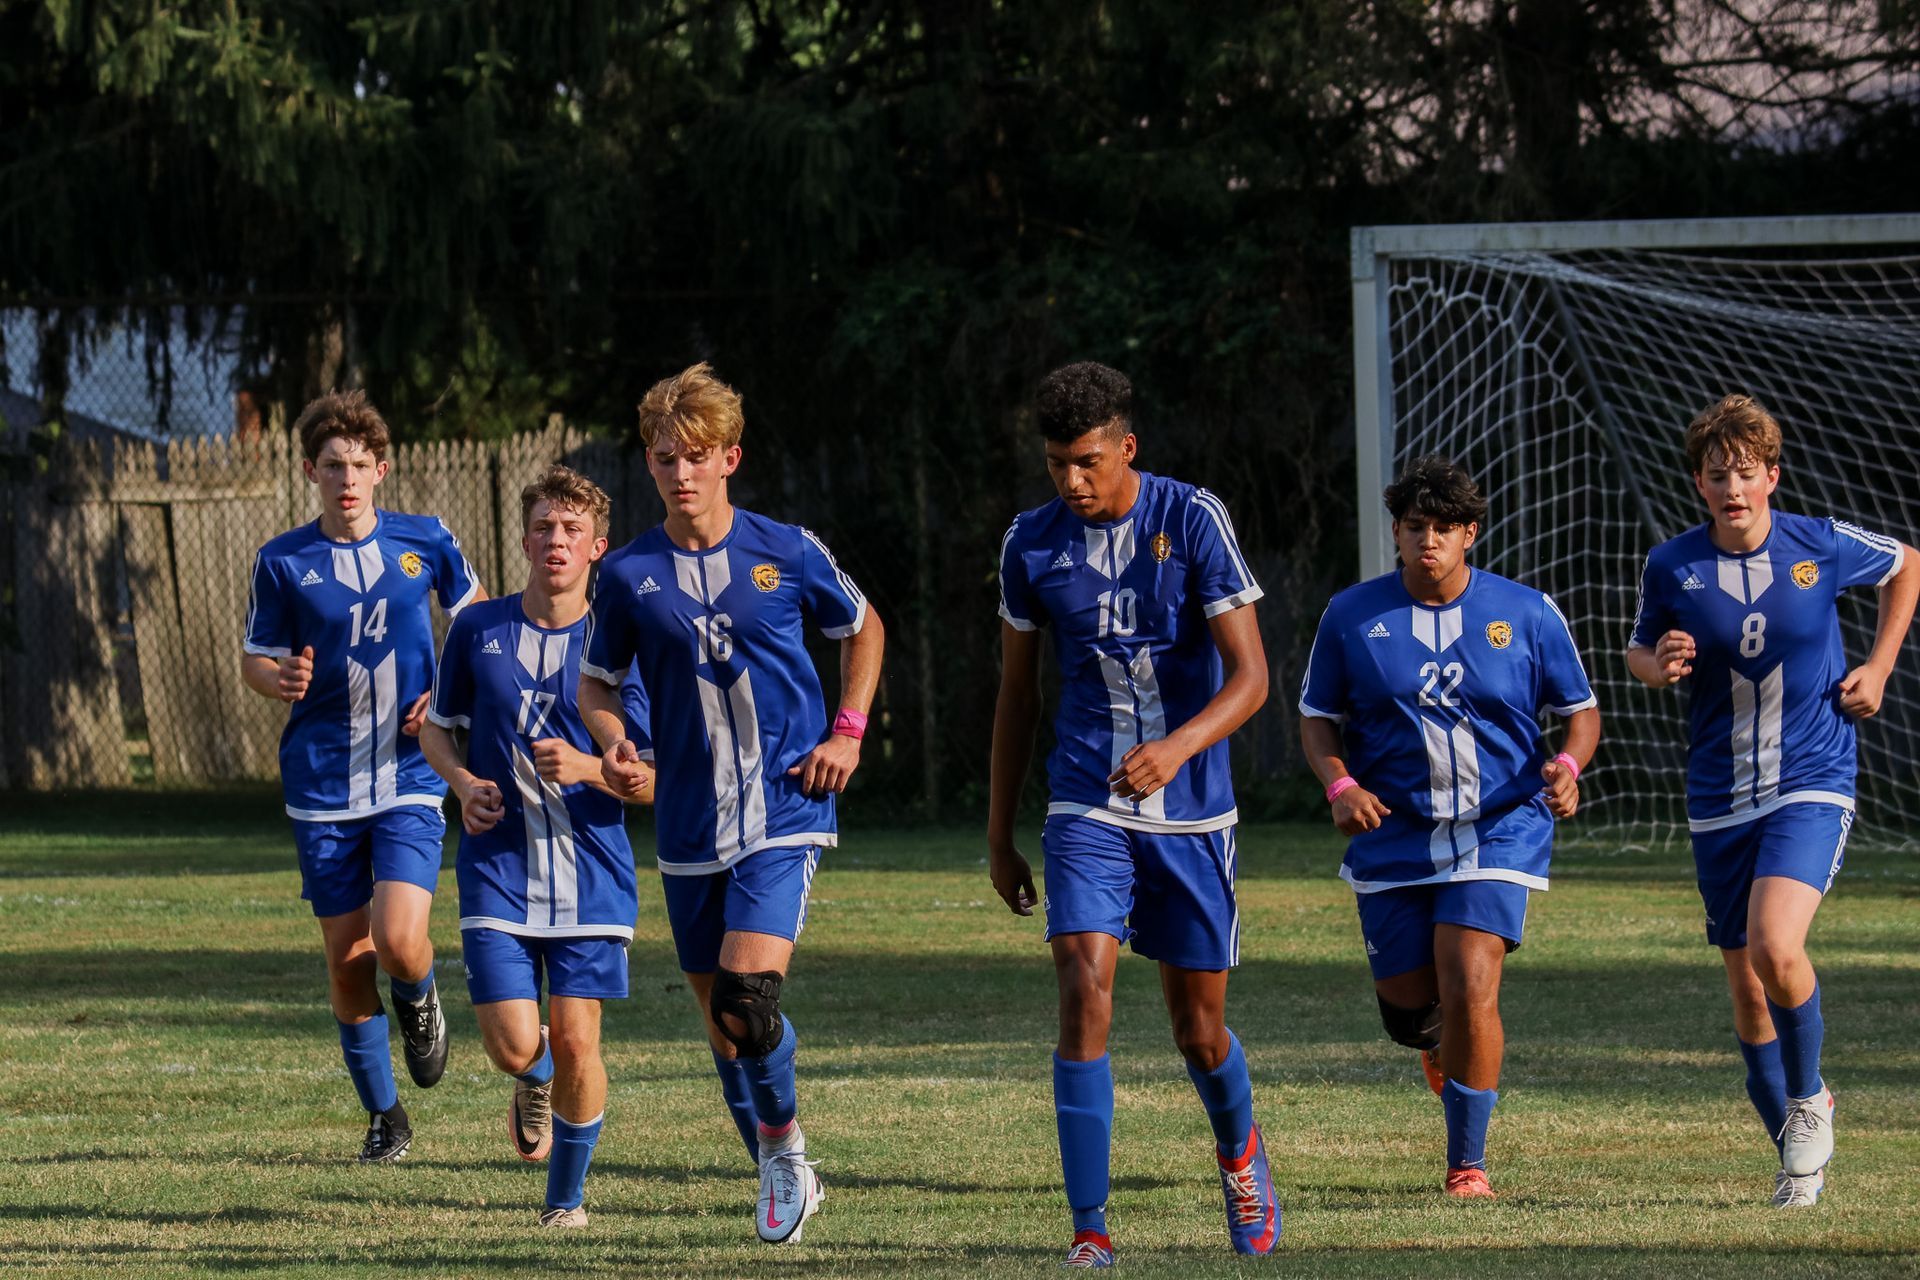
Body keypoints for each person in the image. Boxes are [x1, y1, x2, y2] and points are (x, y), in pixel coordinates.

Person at [577, 363, 885, 1244]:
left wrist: (849, 731)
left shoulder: (785, 549)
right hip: (687, 825)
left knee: (750, 1003)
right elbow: (598, 686)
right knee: (725, 1029)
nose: (680, 472)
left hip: (784, 809)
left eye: (697, 455)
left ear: (730, 460)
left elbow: (862, 626)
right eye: (665, 456)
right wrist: (613, 742)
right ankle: (774, 1157)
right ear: (649, 463)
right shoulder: (628, 572)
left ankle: (785, 1158)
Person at [988, 361, 1277, 1268]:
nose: (1071, 482)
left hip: (1192, 812)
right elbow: (1017, 695)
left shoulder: (1192, 519)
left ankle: (1239, 1153)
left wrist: (1180, 747)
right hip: (1087, 800)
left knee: (1198, 1030)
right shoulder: (1029, 545)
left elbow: (1253, 679)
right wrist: (998, 834)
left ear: (1126, 447)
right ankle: (1090, 1229)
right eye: (1055, 465)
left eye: (1086, 462)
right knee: (1083, 987)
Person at [1627, 394, 1917, 1207]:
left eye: (1746, 474)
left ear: (1771, 478)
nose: (1733, 488)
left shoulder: (1817, 544)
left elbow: (1907, 562)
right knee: (1748, 990)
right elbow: (1639, 651)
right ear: (1699, 484)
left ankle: (1808, 1097)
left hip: (1811, 780)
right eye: (1718, 475)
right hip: (1720, 793)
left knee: (1775, 947)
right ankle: (1800, 1158)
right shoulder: (1672, 564)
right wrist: (1663, 661)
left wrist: (1880, 667)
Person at [1298, 456, 1598, 1200]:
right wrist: (1339, 784)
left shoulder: (1526, 612)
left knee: (1469, 980)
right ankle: (1437, 1047)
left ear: (1469, 533)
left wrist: (1568, 766)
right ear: (1396, 533)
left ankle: (1467, 1165)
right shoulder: (1351, 615)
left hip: (1501, 825)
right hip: (1394, 831)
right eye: (1413, 528)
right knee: (1411, 1013)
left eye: (1442, 529)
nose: (1426, 540)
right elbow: (1316, 718)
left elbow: (1580, 712)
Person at [240, 389, 484, 1162]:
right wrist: (271, 677)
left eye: (359, 465)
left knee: (400, 939)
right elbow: (255, 655)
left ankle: (420, 998)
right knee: (348, 963)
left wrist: (449, 699)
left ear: (383, 469)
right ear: (310, 470)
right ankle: (386, 1116)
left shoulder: (426, 541)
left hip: (410, 773)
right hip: (321, 783)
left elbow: (480, 627)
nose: (346, 479)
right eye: (331, 465)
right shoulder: (281, 561)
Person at [420, 465, 653, 1227]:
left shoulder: (622, 644)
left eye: (572, 530)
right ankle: (534, 1074)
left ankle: (565, 1200)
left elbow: (653, 778)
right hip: (498, 869)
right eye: (545, 526)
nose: (557, 540)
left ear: (598, 547)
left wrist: (591, 766)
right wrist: (460, 784)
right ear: (524, 537)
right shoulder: (477, 630)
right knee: (516, 1044)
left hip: (592, 871)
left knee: (582, 1040)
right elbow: (434, 727)